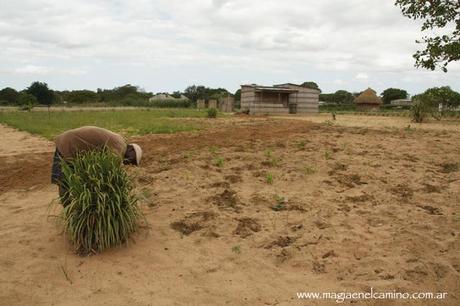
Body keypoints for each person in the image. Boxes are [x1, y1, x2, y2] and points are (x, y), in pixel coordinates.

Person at [51, 126, 142, 204]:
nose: (128, 163)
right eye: (132, 160)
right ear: (131, 151)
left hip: (74, 143)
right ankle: (69, 211)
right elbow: (107, 176)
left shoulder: (120, 141)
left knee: (74, 179)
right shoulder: (118, 151)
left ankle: (72, 206)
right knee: (63, 181)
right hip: (69, 144)